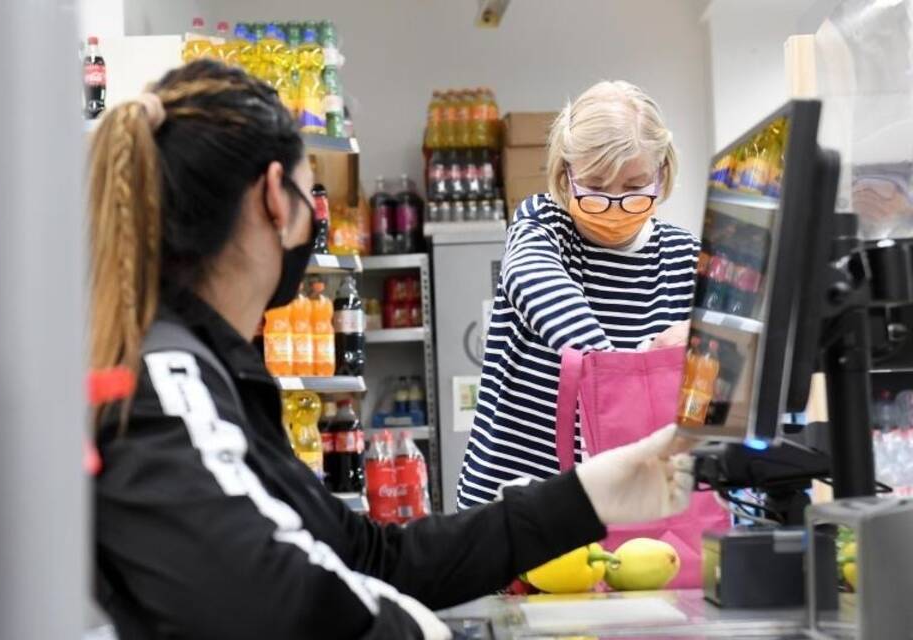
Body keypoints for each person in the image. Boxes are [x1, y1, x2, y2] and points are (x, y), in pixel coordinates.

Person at [90, 61, 693, 640]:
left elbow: (368, 555)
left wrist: (589, 494)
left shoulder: (221, 377)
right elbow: (267, 595)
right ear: (277, 198)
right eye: (313, 197)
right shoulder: (168, 384)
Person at [457, 81, 699, 510]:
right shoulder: (542, 224)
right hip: (514, 501)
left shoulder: (684, 259)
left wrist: (701, 342)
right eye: (596, 187)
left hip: (622, 506)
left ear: (663, 172)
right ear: (565, 175)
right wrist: (613, 377)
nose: (614, 204)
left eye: (634, 185)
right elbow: (535, 282)